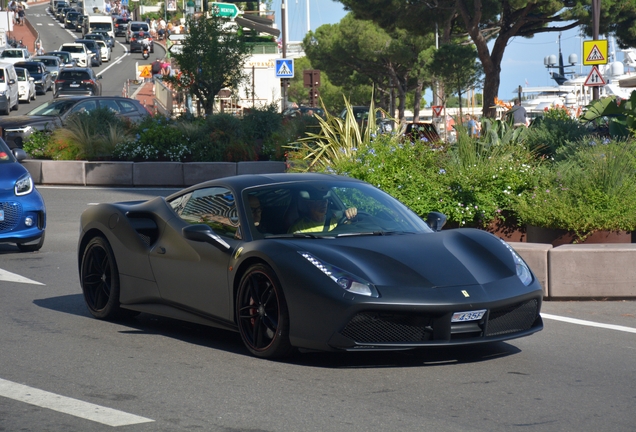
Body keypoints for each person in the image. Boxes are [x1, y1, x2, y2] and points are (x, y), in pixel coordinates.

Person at [288, 189, 357, 233]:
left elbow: (350, 230)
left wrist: (352, 214)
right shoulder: (299, 227)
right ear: (309, 204)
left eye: (325, 200)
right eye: (319, 201)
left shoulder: (336, 220)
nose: (324, 203)